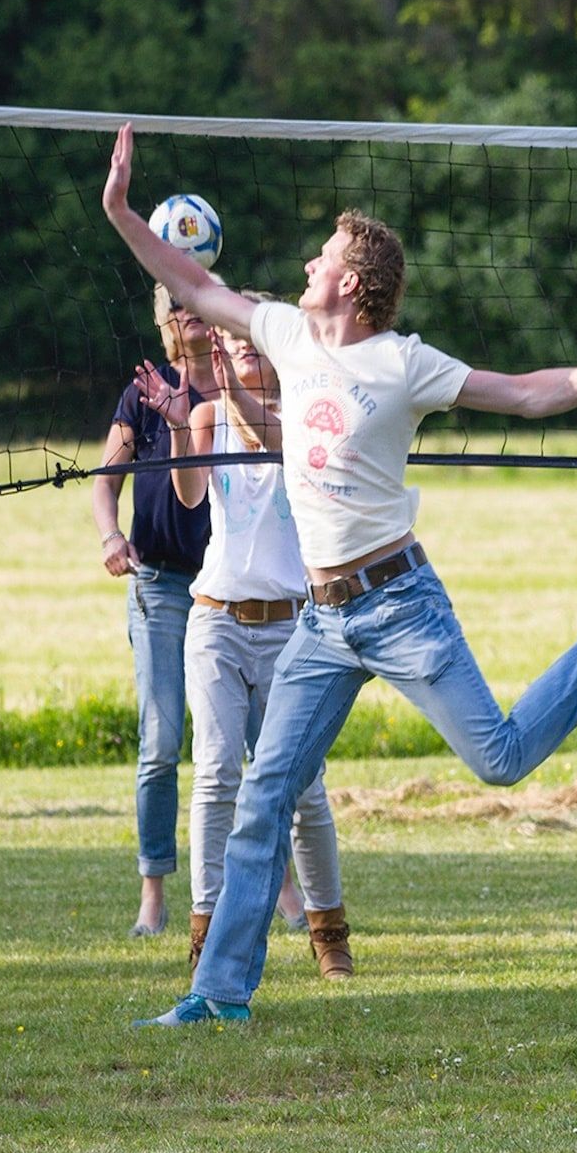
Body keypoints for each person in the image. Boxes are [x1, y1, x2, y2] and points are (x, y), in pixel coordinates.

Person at [98, 122, 577, 1028]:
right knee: (263, 795)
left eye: (324, 254)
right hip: (322, 620)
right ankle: (219, 996)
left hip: (398, 601)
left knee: (496, 759)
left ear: (352, 280)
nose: (308, 262)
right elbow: (191, 283)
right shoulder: (287, 336)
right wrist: (119, 212)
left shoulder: (402, 362)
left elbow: (524, 392)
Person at [133, 294, 352, 982]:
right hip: (217, 620)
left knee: (304, 787)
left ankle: (329, 935)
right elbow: (193, 496)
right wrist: (177, 427)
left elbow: (274, 442)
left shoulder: (310, 419)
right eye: (238, 342)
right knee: (218, 775)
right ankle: (203, 936)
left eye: (257, 342)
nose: (243, 349)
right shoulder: (206, 414)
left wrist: (230, 391)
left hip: (291, 625)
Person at [92, 285, 213, 936]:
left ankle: (277, 886)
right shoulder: (144, 390)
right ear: (164, 321)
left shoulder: (240, 387)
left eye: (199, 300)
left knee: (244, 746)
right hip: (160, 584)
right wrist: (111, 537)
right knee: (161, 744)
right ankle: (153, 894)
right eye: (176, 303)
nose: (188, 313)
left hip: (230, 588)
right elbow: (105, 482)